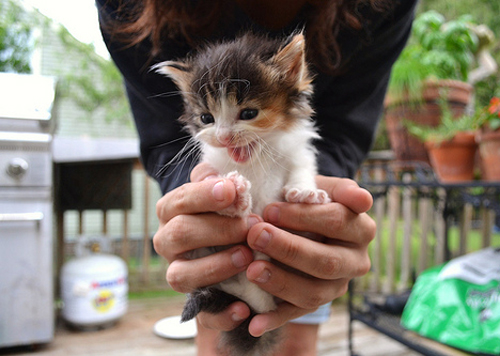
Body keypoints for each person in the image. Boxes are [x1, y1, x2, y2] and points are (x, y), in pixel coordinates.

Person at [97, 0, 418, 354]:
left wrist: (322, 221)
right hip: (228, 265)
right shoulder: (129, 9)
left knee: (292, 342)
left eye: (247, 113)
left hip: (291, 243)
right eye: (207, 120)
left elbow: (336, 139)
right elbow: (166, 146)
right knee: (221, 337)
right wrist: (197, 205)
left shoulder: (378, 8)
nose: (224, 136)